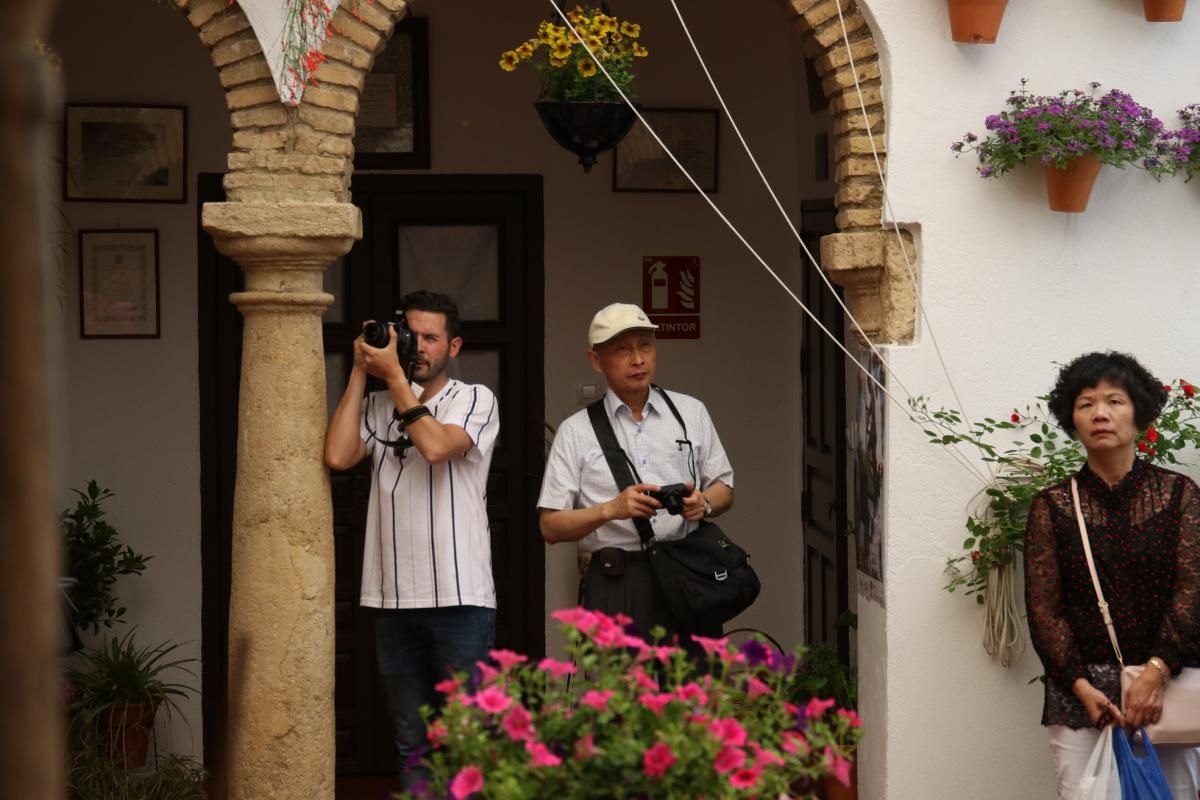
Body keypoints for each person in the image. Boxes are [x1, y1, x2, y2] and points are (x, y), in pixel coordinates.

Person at [324, 290, 499, 789]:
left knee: (466, 741)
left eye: (431, 337)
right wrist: (361, 369)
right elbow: (337, 456)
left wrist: (396, 378)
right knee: (412, 740)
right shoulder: (377, 403)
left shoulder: (474, 399)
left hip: (461, 598)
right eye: (411, 335)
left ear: (454, 346)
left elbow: (438, 447)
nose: (418, 346)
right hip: (391, 598)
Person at [1024, 351, 1200, 799]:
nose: (1100, 413)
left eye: (1114, 400)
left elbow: (1192, 591)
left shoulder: (1180, 495)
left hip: (1170, 691)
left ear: (1139, 413)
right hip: (1084, 698)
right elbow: (1044, 610)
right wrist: (1082, 687)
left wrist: (1155, 675)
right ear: (1073, 419)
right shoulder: (1053, 506)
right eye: (1086, 404)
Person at [537, 302, 734, 643]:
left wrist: (702, 504)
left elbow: (724, 488)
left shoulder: (690, 412)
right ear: (596, 360)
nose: (638, 359)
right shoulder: (576, 431)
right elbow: (550, 526)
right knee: (616, 694)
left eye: (645, 345)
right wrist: (610, 510)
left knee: (692, 689)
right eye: (622, 349)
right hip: (615, 579)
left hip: (686, 569)